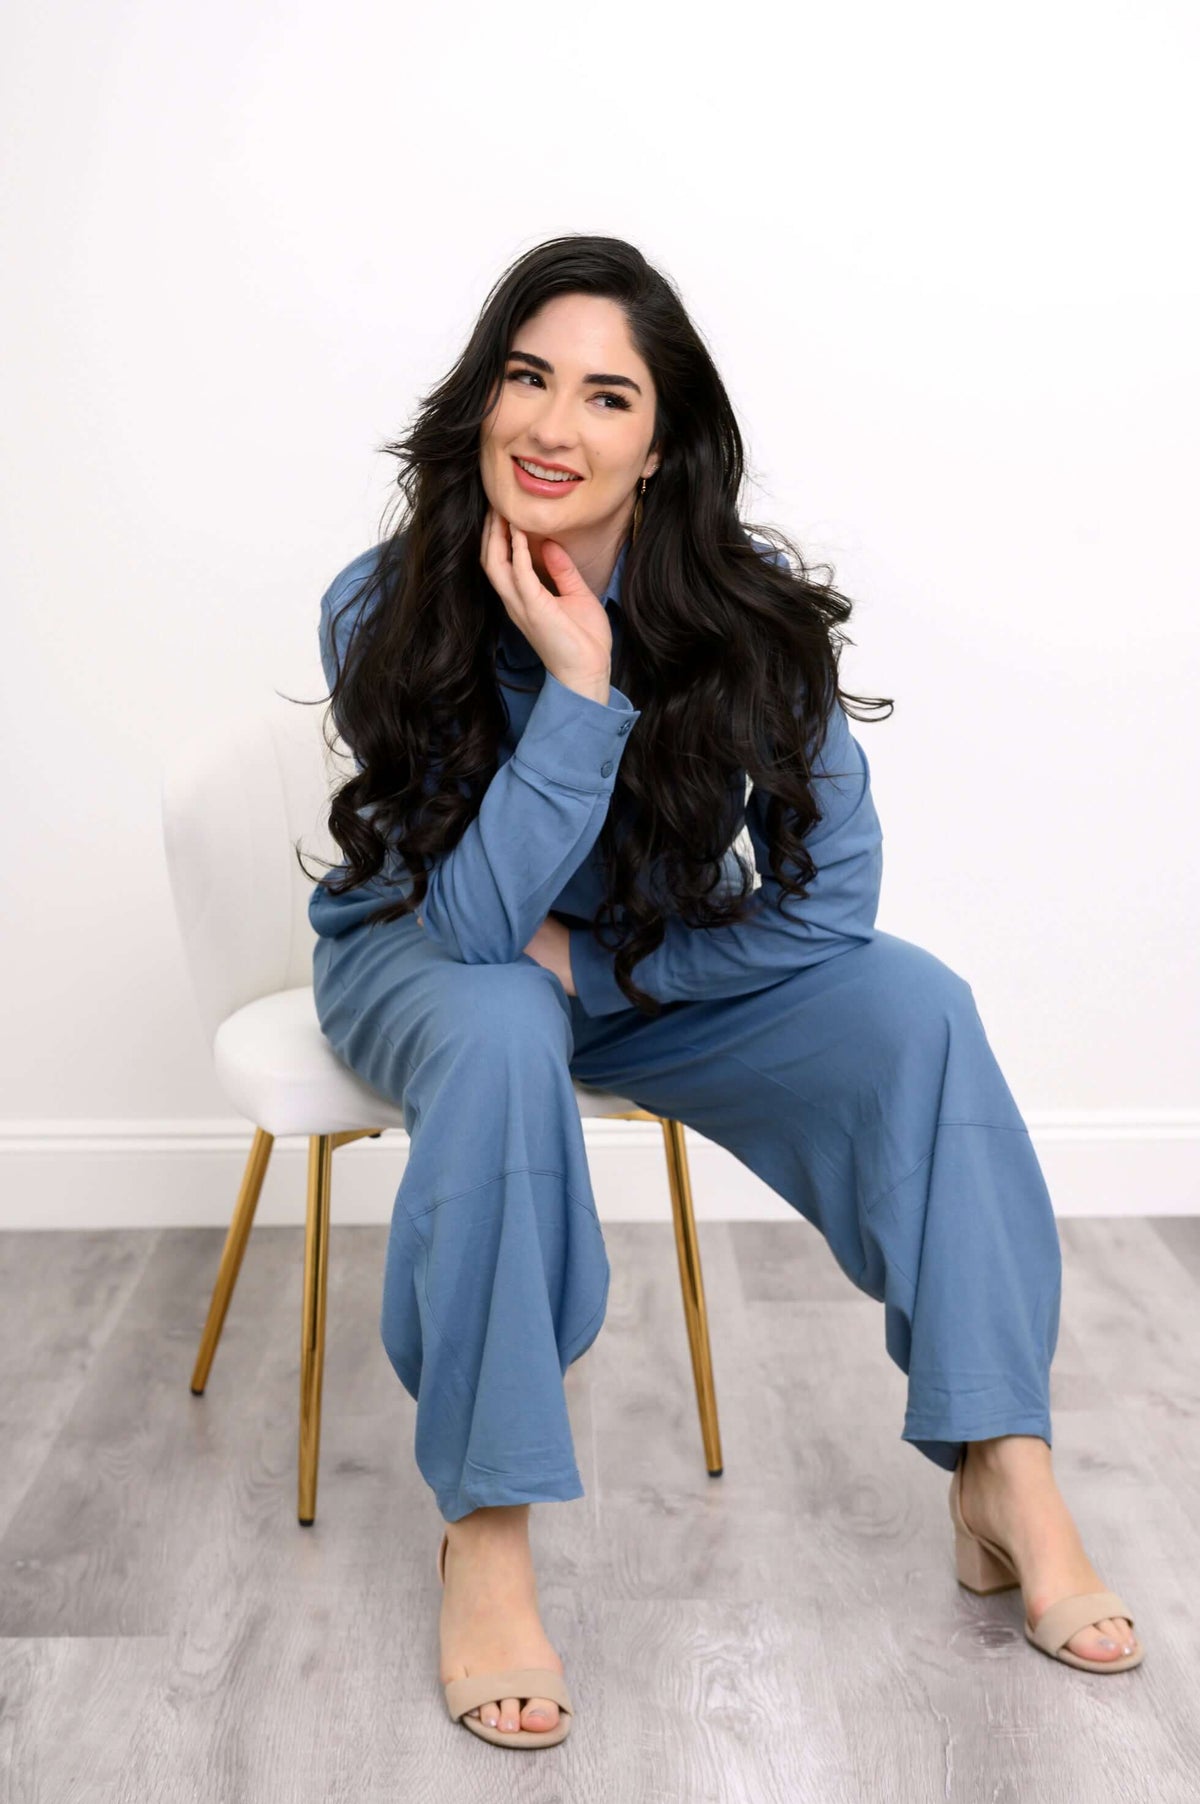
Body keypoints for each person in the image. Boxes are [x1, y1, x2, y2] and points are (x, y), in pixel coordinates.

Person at [302, 234, 1141, 1749]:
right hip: (430, 957)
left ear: (662, 443)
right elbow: (487, 936)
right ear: (482, 400)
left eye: (605, 397)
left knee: (917, 1004)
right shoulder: (390, 601)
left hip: (640, 960)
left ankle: (1000, 1466)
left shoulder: (748, 621)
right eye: (526, 378)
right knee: (498, 1034)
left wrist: (622, 963)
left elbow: (838, 905)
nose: (554, 426)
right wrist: (574, 690)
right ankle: (486, 1525)